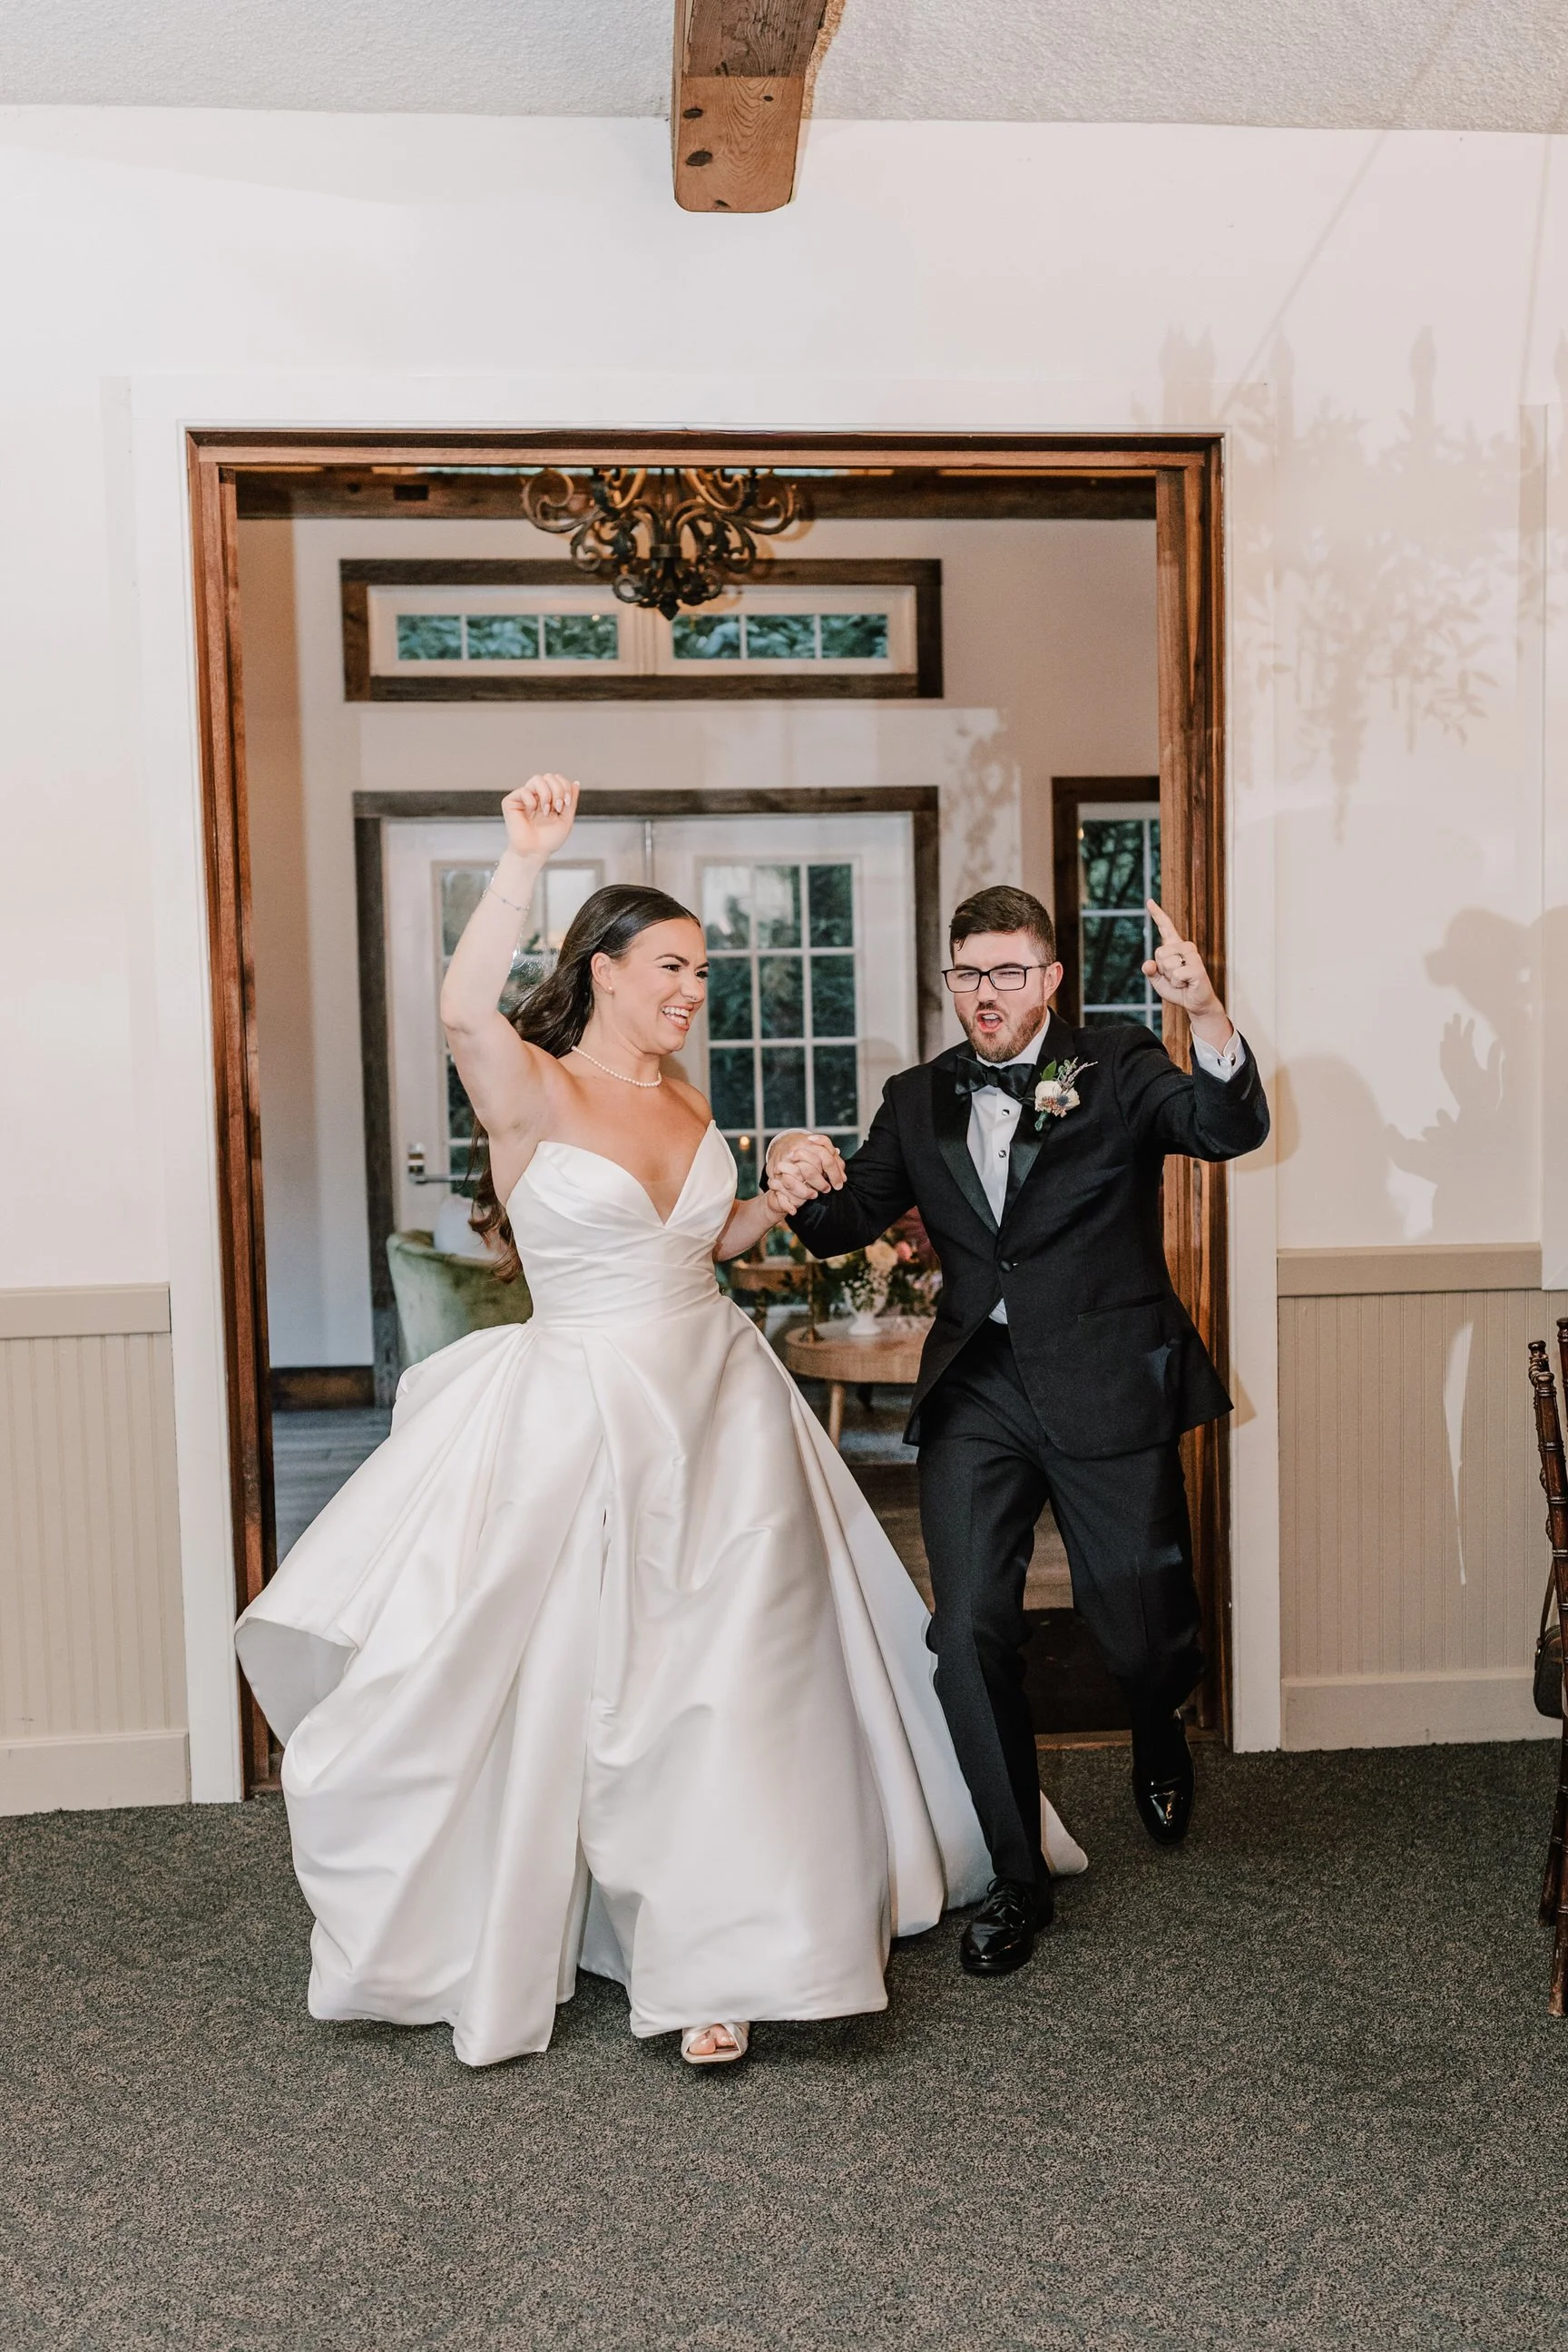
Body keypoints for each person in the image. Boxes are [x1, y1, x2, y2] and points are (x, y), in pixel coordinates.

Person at [235, 782, 1085, 2070]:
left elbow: (708, 1241)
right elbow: (464, 1004)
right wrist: (524, 859)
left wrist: (787, 1185)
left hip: (725, 1405)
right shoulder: (526, 1091)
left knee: (739, 1680)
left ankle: (728, 1953)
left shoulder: (687, 1100)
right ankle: (641, 1932)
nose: (696, 988)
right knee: (613, 1687)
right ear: (605, 972)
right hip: (582, 1415)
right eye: (675, 967)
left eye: (703, 968)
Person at [769, 882, 1269, 1981]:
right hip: (981, 1388)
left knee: (1140, 1628)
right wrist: (789, 1173)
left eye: (1006, 972)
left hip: (1105, 1380)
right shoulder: (917, 1097)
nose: (984, 994)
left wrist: (1210, 1013)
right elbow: (845, 1219)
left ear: (1047, 978)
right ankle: (1015, 1875)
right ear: (948, 983)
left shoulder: (1122, 1059)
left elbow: (1227, 1127)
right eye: (966, 974)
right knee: (969, 1630)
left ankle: (1153, 1722)